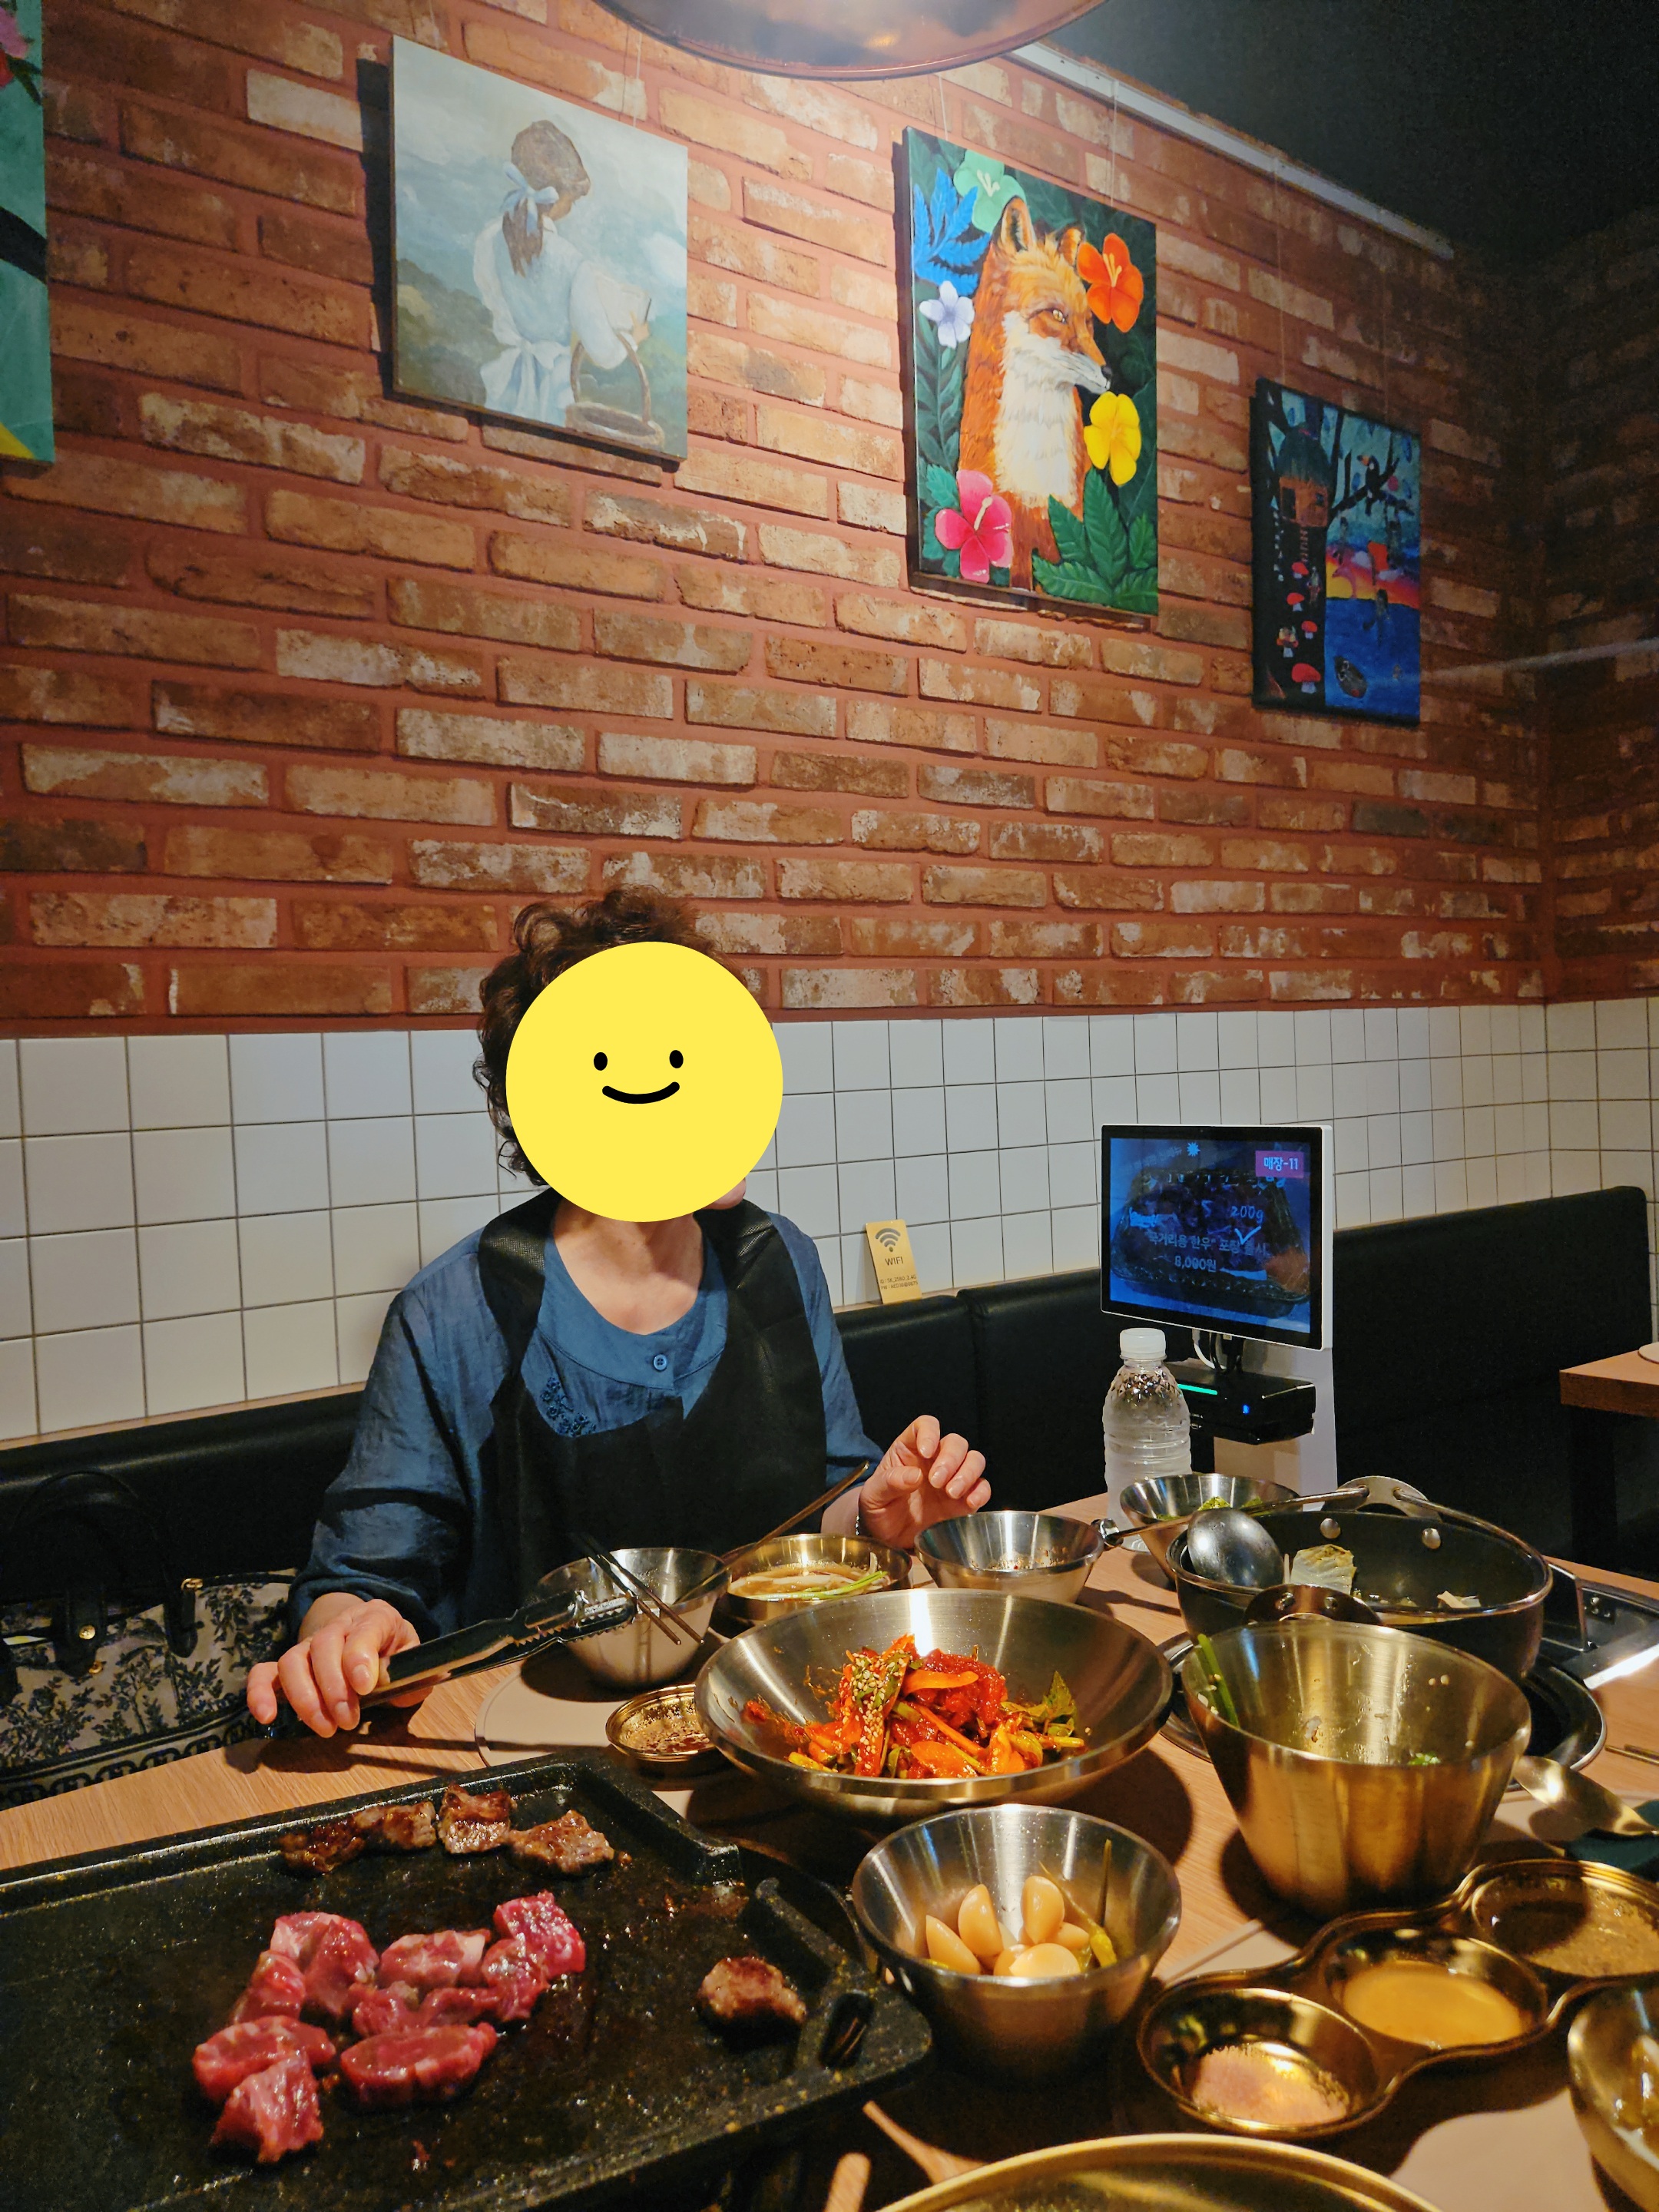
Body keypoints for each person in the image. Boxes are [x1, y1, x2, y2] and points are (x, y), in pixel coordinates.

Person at [249, 890, 991, 1737]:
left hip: (782, 1723)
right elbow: (359, 1580)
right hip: (535, 1749)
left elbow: (826, 1499)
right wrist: (345, 1636)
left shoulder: (780, 1258)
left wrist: (874, 1520)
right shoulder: (453, 1311)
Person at [472, 117, 651, 425]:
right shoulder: (572, 263)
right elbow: (604, 351)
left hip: (506, 386)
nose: (572, 206)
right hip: (553, 394)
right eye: (573, 199)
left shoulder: (490, 239)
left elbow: (492, 297)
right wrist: (632, 338)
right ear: (559, 198)